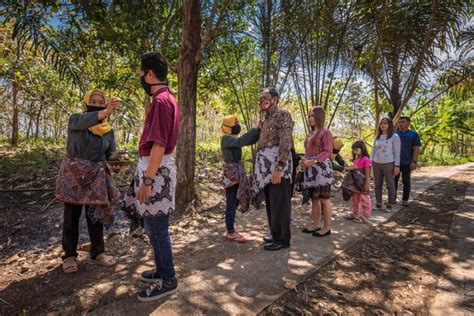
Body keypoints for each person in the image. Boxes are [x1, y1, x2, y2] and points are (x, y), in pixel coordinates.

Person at [123, 52, 180, 301]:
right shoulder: (165, 99)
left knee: (157, 228)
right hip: (155, 168)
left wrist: (147, 180)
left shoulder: (161, 101)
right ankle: (161, 269)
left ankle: (168, 280)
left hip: (155, 171)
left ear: (149, 74)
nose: (141, 79)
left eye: (141, 74)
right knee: (152, 226)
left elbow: (158, 144)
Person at [55, 89, 122, 273]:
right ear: (86, 103)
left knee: (95, 216)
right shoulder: (76, 120)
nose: (98, 104)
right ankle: (69, 255)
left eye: (102, 102)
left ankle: (98, 252)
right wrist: (105, 112)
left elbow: (111, 154)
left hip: (95, 177)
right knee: (71, 217)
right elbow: (88, 120)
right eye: (94, 101)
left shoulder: (108, 130)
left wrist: (117, 162)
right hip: (74, 175)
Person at [250, 87, 294, 251]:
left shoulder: (282, 115)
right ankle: (276, 234)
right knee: (271, 202)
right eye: (260, 98)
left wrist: (279, 167)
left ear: (275, 99)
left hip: (277, 168)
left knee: (280, 203)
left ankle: (283, 239)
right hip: (265, 170)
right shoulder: (266, 119)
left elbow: (285, 142)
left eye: (265, 97)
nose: (262, 101)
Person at [220, 115, 260, 243]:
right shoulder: (226, 139)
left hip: (236, 173)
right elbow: (241, 141)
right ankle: (230, 232)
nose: (237, 126)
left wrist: (258, 130)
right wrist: (254, 129)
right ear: (228, 128)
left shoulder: (233, 138)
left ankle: (231, 227)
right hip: (231, 173)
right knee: (231, 201)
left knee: (236, 200)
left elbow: (249, 141)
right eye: (234, 124)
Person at [297, 106, 335, 237]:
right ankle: (316, 224)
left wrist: (313, 161)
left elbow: (328, 151)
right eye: (309, 116)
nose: (310, 118)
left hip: (322, 170)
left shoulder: (326, 132)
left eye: (313, 116)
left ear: (319, 117)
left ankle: (327, 227)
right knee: (314, 198)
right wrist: (304, 160)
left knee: (324, 198)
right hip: (310, 170)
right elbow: (308, 152)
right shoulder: (310, 134)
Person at [371, 117, 401, 212]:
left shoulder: (394, 136)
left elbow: (397, 152)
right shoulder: (377, 137)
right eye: (381, 123)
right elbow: (373, 151)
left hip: (389, 163)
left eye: (385, 123)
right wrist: (370, 163)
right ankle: (378, 203)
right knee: (377, 184)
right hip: (376, 163)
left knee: (390, 185)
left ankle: (390, 205)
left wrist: (397, 165)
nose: (383, 125)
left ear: (390, 125)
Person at [396, 116, 421, 206]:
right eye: (399, 122)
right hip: (396, 163)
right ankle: (392, 198)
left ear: (408, 123)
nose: (401, 124)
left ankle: (405, 200)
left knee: (406, 181)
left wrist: (414, 161)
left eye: (403, 122)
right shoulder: (395, 134)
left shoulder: (413, 134)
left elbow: (416, 148)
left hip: (407, 162)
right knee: (393, 180)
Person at [344, 141, 372, 223]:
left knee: (365, 199)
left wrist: (367, 184)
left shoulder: (366, 159)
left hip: (362, 183)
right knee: (355, 199)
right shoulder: (356, 159)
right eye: (353, 150)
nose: (355, 151)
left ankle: (365, 216)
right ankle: (355, 213)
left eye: (357, 149)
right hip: (355, 183)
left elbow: (367, 173)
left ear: (362, 149)